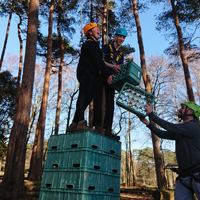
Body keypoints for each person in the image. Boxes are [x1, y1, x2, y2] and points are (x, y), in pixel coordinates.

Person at [138, 101, 200, 200]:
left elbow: (170, 127)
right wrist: (148, 124)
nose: (179, 110)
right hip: (184, 176)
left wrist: (151, 114)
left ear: (191, 111)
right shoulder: (182, 130)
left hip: (197, 173)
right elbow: (163, 134)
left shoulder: (193, 127)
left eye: (183, 108)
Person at [67, 23, 114, 132]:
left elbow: (100, 61)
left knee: (87, 98)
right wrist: (108, 74)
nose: (99, 30)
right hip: (87, 73)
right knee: (83, 96)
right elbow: (98, 61)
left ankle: (74, 123)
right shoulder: (90, 44)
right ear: (89, 32)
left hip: (91, 74)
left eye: (98, 28)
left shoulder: (94, 45)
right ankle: (80, 122)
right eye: (96, 29)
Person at [93, 28, 127, 140]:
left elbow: (120, 67)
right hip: (101, 75)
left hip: (112, 79)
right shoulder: (106, 47)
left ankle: (108, 129)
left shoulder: (121, 54)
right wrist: (112, 67)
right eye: (119, 36)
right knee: (97, 99)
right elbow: (100, 61)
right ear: (115, 37)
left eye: (123, 37)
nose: (121, 39)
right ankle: (97, 126)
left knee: (110, 104)